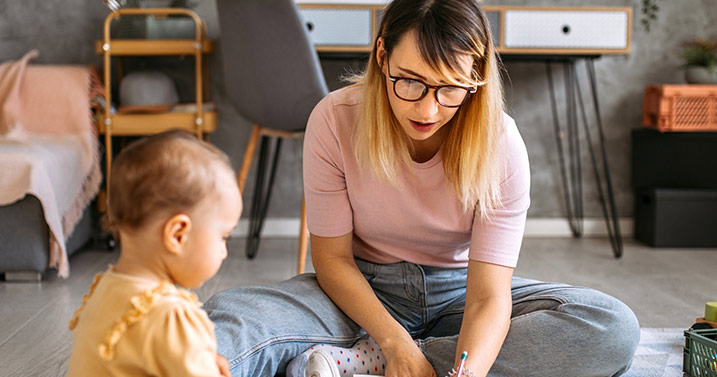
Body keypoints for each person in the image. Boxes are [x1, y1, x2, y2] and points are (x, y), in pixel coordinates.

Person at [204, 0, 640, 376]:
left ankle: (361, 364)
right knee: (229, 320)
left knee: (609, 325)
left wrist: (462, 370)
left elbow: (488, 295)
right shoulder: (334, 119)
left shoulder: (501, 143)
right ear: (381, 55)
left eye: (451, 87)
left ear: (476, 76)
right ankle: (381, 355)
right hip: (358, 292)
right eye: (409, 81)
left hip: (461, 294)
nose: (428, 109)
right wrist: (394, 340)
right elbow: (332, 259)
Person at [67, 131, 240, 377]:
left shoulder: (105, 290)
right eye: (223, 237)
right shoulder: (171, 318)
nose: (224, 252)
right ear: (178, 235)